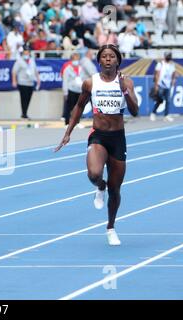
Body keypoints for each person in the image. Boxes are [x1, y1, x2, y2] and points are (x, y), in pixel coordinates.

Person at [55, 44, 139, 246]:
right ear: (99, 61)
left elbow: (135, 111)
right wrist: (68, 132)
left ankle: (111, 227)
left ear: (117, 60)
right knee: (94, 174)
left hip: (118, 138)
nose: (108, 59)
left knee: (116, 189)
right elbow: (78, 106)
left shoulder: (126, 81)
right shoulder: (90, 83)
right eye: (104, 56)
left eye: (112, 56)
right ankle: (99, 186)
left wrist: (125, 92)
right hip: (98, 136)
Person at [11, 48, 41, 119]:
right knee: (23, 98)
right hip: (22, 82)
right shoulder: (19, 61)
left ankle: (25, 112)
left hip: (30, 82)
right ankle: (24, 113)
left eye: (27, 53)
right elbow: (14, 71)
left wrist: (38, 79)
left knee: (28, 98)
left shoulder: (32, 61)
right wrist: (14, 81)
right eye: (25, 53)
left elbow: (35, 70)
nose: (26, 55)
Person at [150, 52, 177, 122]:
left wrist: (173, 80)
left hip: (168, 85)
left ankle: (166, 115)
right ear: (165, 56)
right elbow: (156, 75)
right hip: (160, 85)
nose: (169, 57)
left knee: (168, 101)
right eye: (168, 56)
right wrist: (156, 85)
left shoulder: (172, 65)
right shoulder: (160, 64)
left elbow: (174, 74)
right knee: (160, 100)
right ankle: (153, 113)